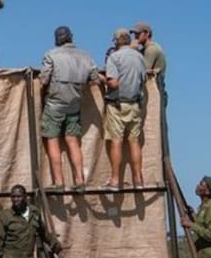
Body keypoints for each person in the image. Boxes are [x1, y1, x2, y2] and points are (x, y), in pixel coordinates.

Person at [39, 25, 99, 191]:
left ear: (57, 39)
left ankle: (59, 182)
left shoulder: (51, 55)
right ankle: (79, 181)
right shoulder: (86, 56)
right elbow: (95, 79)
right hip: (74, 104)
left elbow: (43, 80)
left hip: (54, 104)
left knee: (52, 140)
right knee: (73, 142)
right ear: (71, 37)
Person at [101, 27, 147, 188]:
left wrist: (103, 79)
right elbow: (144, 79)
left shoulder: (115, 57)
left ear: (116, 41)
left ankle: (115, 180)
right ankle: (138, 179)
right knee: (134, 142)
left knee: (117, 142)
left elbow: (113, 83)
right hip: (134, 104)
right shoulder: (139, 57)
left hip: (117, 104)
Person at [130, 21, 167, 104]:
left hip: (155, 91)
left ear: (147, 34)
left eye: (138, 34)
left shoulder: (151, 49)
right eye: (135, 34)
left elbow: (144, 71)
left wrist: (131, 51)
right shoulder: (144, 49)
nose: (135, 37)